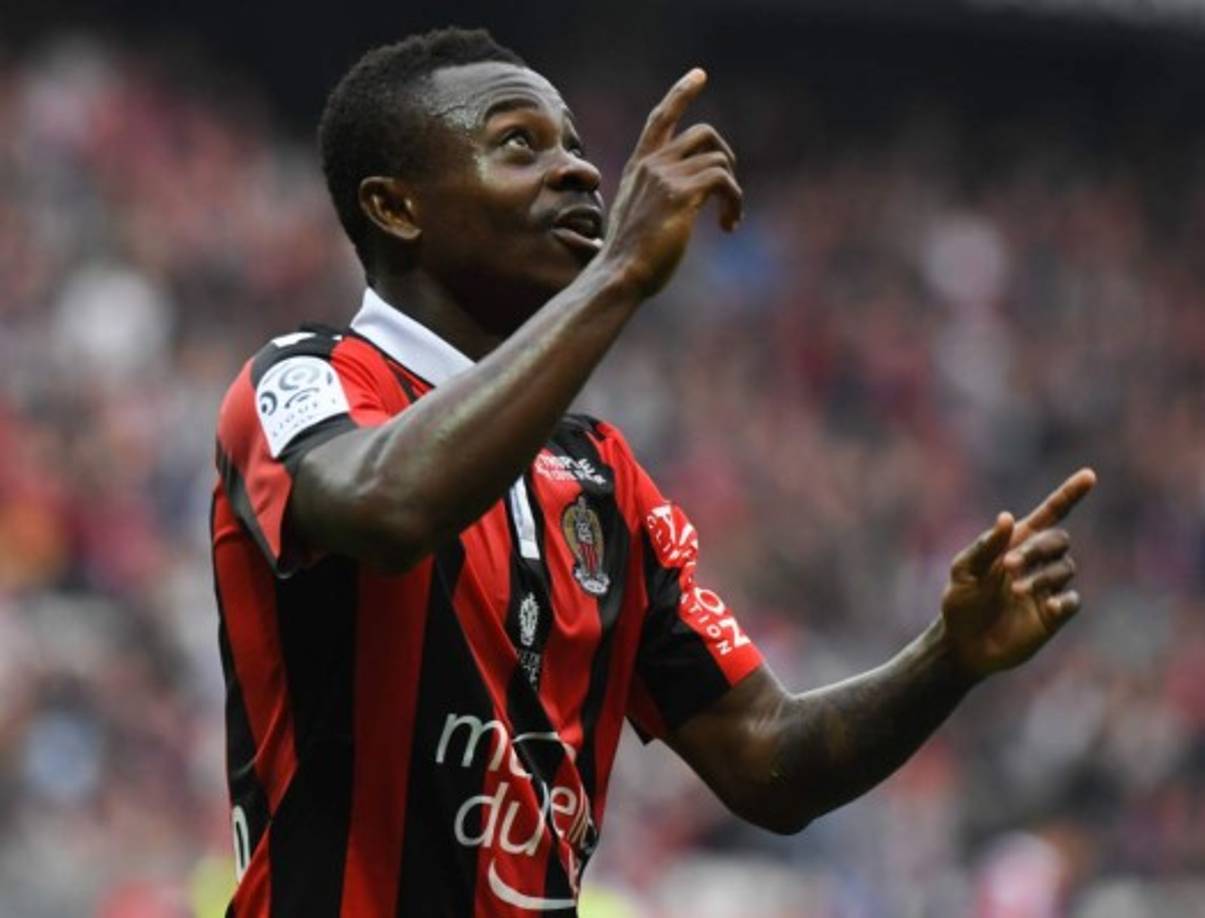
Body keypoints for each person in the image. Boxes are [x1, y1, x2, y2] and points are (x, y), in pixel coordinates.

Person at [210, 26, 1096, 916]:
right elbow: (385, 507)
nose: (580, 173)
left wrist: (948, 657)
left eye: (576, 147)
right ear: (397, 207)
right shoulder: (307, 379)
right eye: (520, 143)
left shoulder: (599, 475)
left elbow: (766, 761)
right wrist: (624, 271)